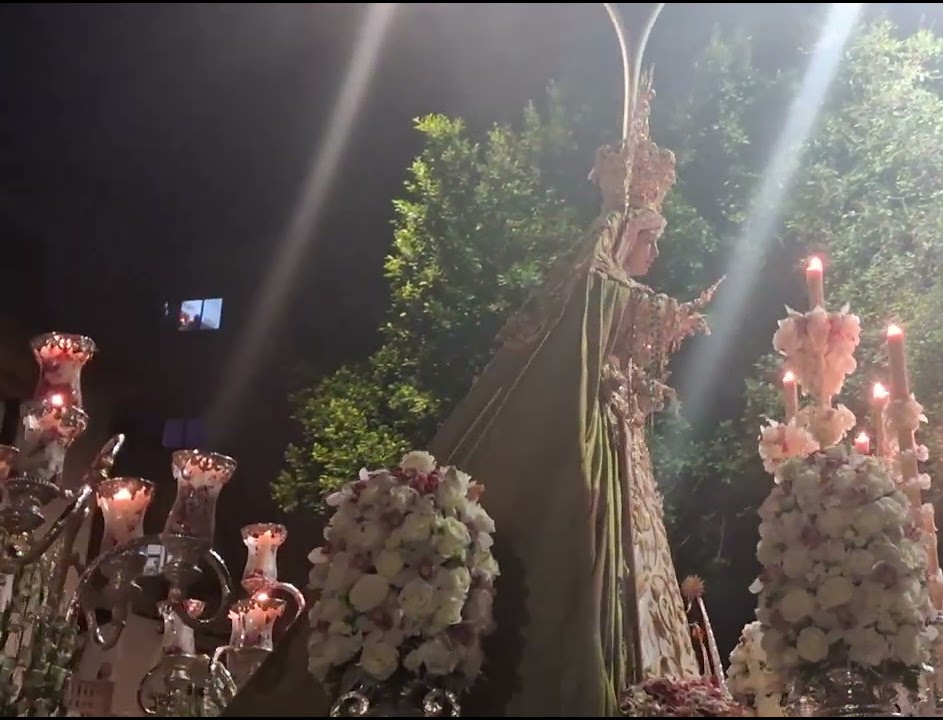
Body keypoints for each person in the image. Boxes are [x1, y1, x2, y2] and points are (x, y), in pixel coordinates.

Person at [223, 74, 715, 717]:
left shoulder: (610, 288)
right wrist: (675, 316)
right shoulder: (595, 281)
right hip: (589, 446)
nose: (654, 253)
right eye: (650, 238)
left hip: (621, 445)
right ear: (626, 229)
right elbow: (596, 328)